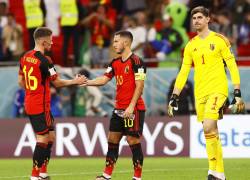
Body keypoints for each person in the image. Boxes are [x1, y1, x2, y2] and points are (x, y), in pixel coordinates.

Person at [167, 6, 245, 180]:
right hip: (200, 93)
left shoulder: (219, 40)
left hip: (218, 89)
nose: (196, 21)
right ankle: (220, 174)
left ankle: (212, 171)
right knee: (210, 131)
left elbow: (232, 65)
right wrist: (174, 96)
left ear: (208, 19)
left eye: (200, 17)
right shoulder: (190, 45)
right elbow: (183, 73)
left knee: (209, 125)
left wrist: (237, 91)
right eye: (194, 18)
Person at [18, 27, 86, 180]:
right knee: (42, 139)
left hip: (35, 103)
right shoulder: (45, 60)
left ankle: (43, 172)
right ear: (43, 41)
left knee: (51, 137)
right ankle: (35, 176)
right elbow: (59, 83)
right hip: (39, 105)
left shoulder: (24, 57)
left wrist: (31, 91)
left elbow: (20, 81)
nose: (52, 42)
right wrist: (75, 81)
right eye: (50, 39)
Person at [81, 30, 146, 180]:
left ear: (126, 43)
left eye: (117, 41)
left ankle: (137, 177)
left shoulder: (137, 61)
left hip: (133, 109)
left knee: (132, 140)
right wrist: (86, 82)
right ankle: (106, 175)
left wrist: (131, 106)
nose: (114, 44)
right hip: (118, 109)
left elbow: (140, 85)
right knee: (112, 139)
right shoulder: (115, 62)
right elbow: (104, 79)